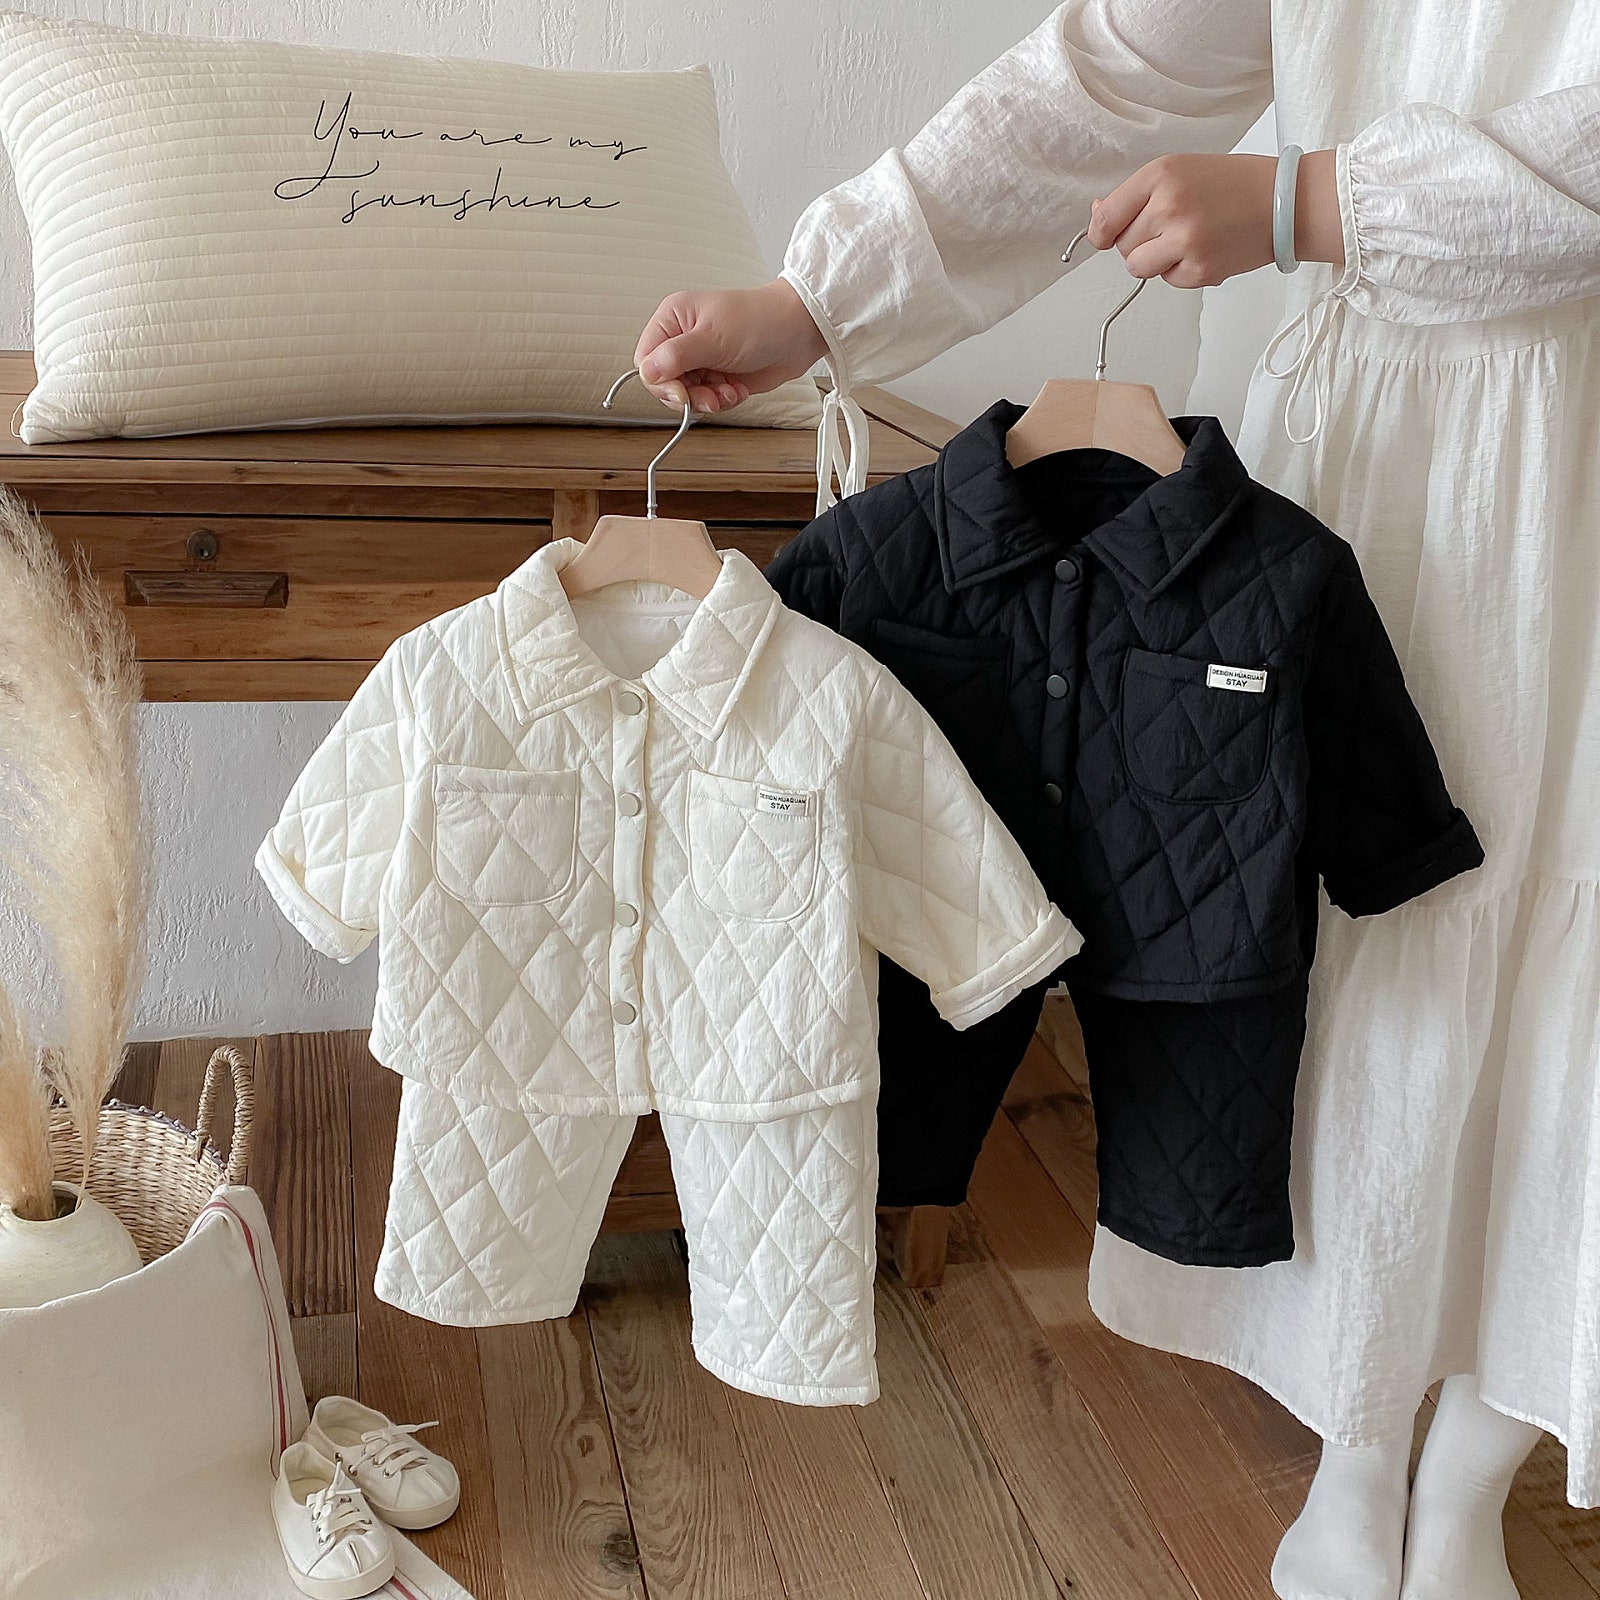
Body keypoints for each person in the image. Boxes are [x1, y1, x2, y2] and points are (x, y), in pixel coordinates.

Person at [632, 5, 1600, 1599]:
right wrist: (821, 298)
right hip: (1361, 409)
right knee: (1354, 953)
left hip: (1568, 434)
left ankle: (1475, 1480)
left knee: (1561, 958)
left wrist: (1313, 200)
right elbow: (1111, 68)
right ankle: (1359, 1454)